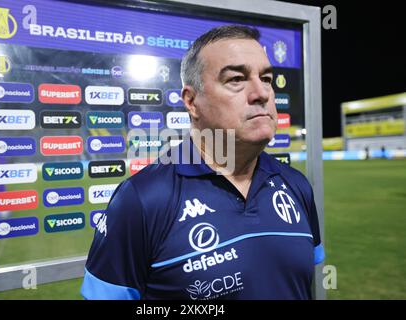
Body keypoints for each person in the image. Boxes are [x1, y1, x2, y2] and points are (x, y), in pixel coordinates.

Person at [81, 25, 324, 300]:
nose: (262, 93)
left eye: (266, 78)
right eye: (236, 79)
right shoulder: (142, 199)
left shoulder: (295, 185)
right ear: (192, 101)